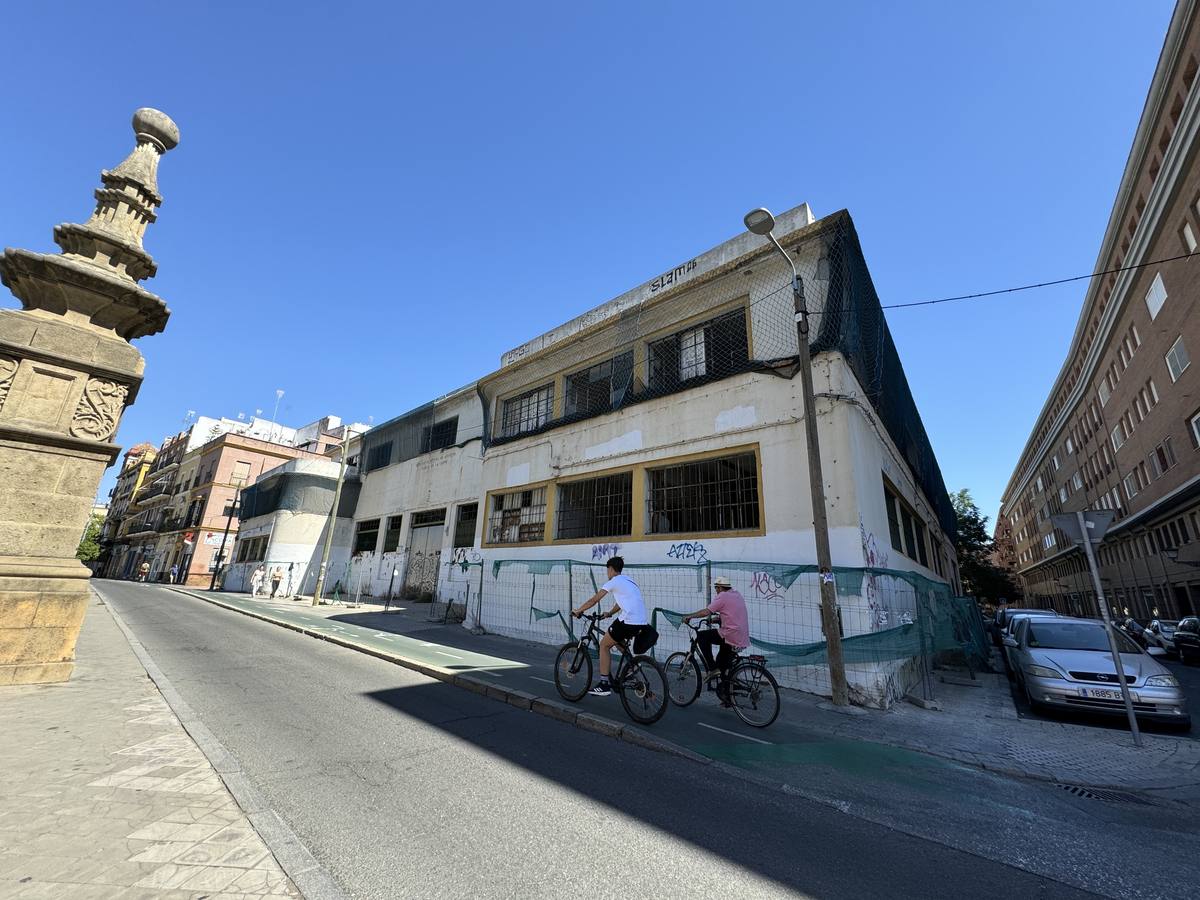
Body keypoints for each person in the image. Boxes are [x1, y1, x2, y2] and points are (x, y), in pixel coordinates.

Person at [571, 557, 650, 697]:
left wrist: (578, 610)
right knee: (618, 641)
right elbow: (621, 602)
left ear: (611, 569)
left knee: (604, 645)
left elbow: (594, 599)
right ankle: (633, 667)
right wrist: (609, 613)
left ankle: (604, 684)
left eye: (607, 570)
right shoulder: (629, 581)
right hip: (641, 622)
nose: (607, 572)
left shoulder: (613, 581)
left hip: (629, 620)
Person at [682, 575, 750, 703]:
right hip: (741, 635)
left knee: (702, 636)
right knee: (722, 662)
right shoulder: (736, 594)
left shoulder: (722, 596)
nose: (716, 591)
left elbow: (706, 612)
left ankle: (712, 669)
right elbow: (733, 612)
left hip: (730, 634)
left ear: (719, 587)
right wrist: (719, 618)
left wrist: (690, 616)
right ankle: (727, 697)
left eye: (716, 588)